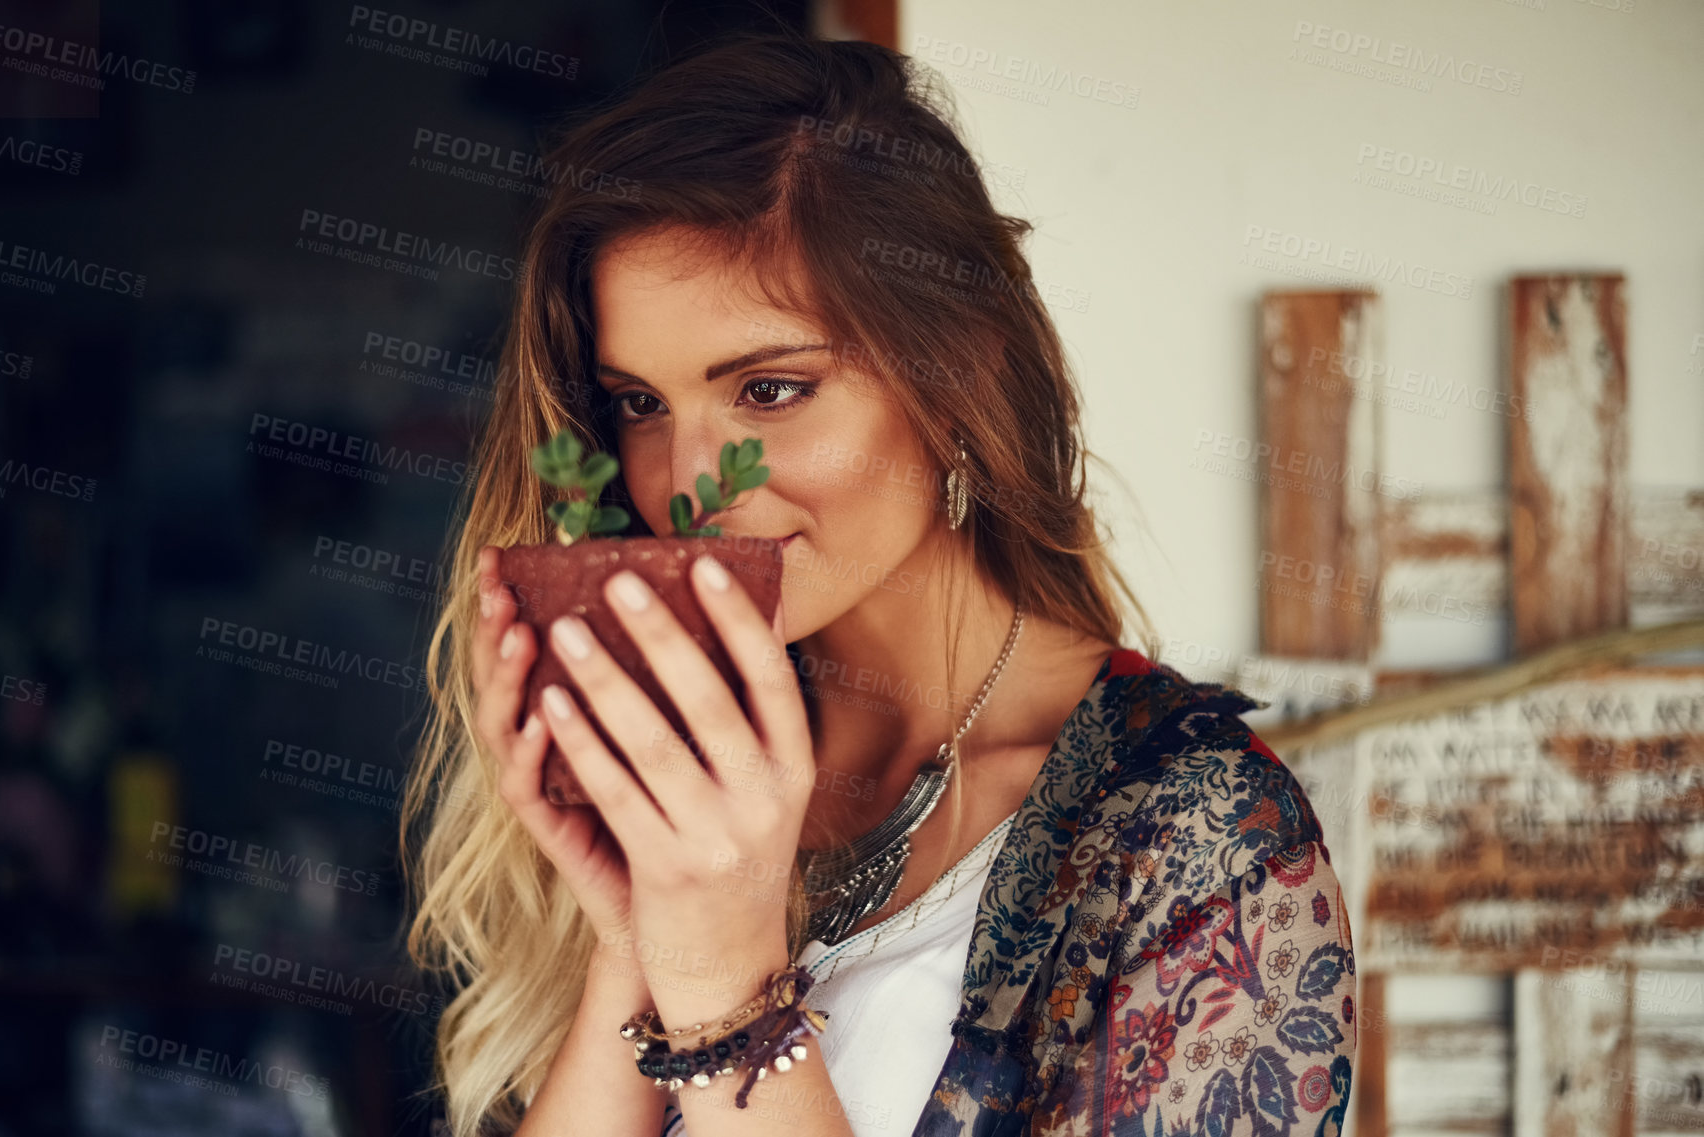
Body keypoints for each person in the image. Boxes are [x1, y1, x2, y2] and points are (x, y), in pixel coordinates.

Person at [400, 28, 1355, 1137]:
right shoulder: (685, 781)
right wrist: (639, 939)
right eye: (641, 404)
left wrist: (724, 1000)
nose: (688, 484)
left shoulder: (1198, 844)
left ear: (954, 380)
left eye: (767, 390)